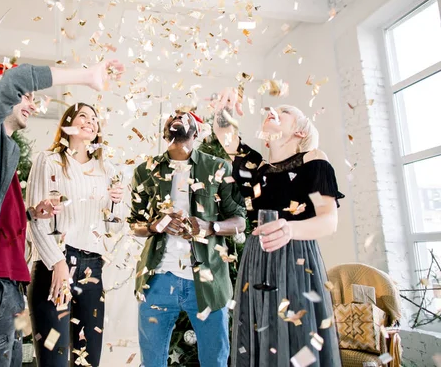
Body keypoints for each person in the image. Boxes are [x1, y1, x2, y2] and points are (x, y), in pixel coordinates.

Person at [0, 59, 123, 367]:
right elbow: (15, 79)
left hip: (8, 284)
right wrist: (85, 76)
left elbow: (2, 218)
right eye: (26, 96)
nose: (33, 104)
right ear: (1, 94)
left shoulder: (4, 152)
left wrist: (32, 213)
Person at [209, 88, 343, 366]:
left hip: (296, 260)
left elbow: (329, 221)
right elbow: (227, 139)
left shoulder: (313, 160)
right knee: (258, 335)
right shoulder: (257, 168)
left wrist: (290, 230)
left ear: (300, 133)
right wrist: (224, 108)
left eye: (285, 113)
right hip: (256, 259)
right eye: (273, 110)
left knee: (294, 338)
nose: (274, 112)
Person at [128, 110, 246, 367]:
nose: (177, 117)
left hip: (207, 282)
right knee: (152, 362)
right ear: (164, 132)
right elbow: (133, 224)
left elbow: (240, 222)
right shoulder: (145, 171)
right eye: (172, 116)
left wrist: (209, 226)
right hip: (157, 280)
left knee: (215, 361)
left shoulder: (218, 167)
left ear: (196, 132)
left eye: (185, 116)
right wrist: (156, 225)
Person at [26, 101, 125, 367]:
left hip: (93, 268)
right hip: (55, 264)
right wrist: (57, 261)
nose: (90, 121)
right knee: (53, 360)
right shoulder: (48, 161)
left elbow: (113, 229)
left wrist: (115, 203)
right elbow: (35, 218)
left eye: (95, 119)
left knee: (88, 361)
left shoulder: (108, 171)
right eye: (83, 116)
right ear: (68, 123)